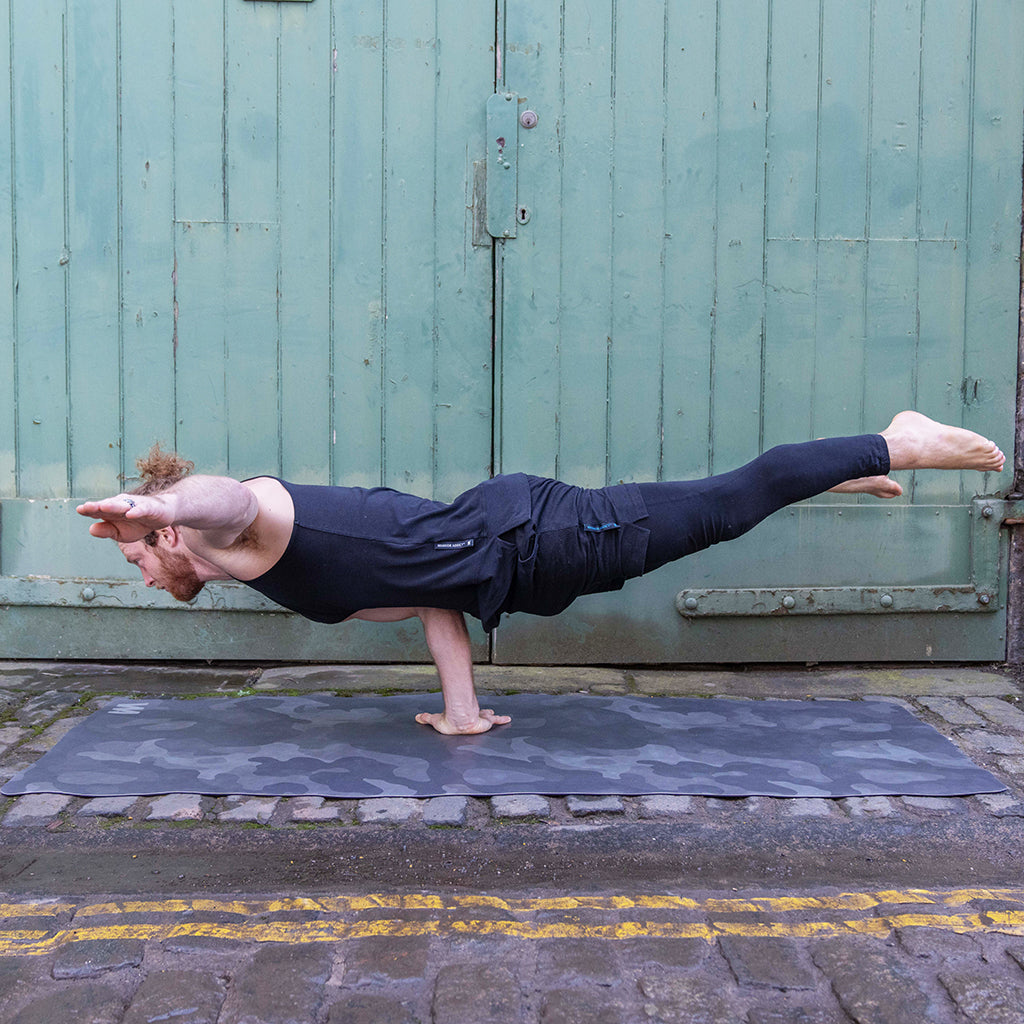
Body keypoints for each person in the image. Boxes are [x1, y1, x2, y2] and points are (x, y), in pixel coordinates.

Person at [77, 412, 1004, 735]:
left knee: (726, 503)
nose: (145, 575)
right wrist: (464, 712)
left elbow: (225, 499)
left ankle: (899, 437)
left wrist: (164, 507)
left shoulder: (242, 524)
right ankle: (848, 464)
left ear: (166, 537)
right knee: (720, 510)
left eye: (138, 558)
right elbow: (435, 600)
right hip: (519, 549)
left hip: (540, 537)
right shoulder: (255, 569)